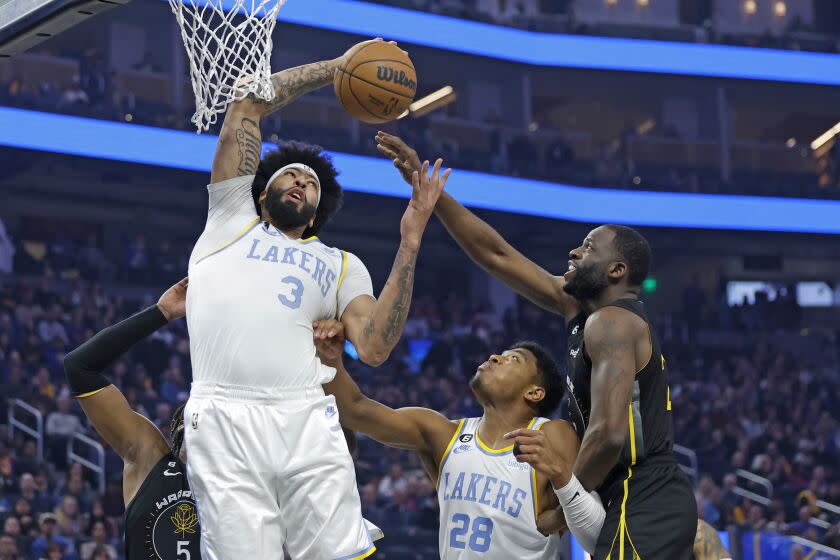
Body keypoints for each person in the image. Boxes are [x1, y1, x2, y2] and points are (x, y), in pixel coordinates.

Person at [186, 39, 450, 559]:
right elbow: (247, 104)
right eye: (290, 174)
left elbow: (373, 346)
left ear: (315, 209)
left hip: (306, 416)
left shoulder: (339, 263)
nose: (301, 181)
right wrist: (338, 68)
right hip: (221, 416)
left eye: (310, 182)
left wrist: (411, 240)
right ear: (260, 192)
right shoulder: (229, 222)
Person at [376, 133, 697, 558]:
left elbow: (607, 433)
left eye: (588, 248)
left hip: (642, 490)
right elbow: (496, 255)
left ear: (617, 269)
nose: (574, 251)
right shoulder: (583, 312)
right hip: (620, 492)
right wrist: (431, 194)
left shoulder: (614, 323)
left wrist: (562, 504)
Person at [316, 319, 576, 559]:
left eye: (513, 359)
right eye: (500, 354)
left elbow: (585, 496)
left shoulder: (551, 434)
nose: (495, 357)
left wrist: (554, 520)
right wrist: (328, 356)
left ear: (534, 392)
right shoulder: (444, 434)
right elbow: (354, 410)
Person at [63, 278, 201, 560]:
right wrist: (160, 313)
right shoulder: (150, 459)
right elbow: (79, 367)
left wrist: (320, 360)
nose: (199, 420)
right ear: (177, 428)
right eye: (190, 415)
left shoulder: (242, 472)